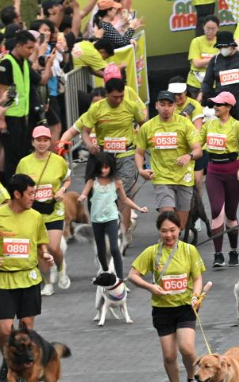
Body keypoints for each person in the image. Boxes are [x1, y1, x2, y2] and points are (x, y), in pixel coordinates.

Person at [128, 211, 207, 382]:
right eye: (164, 231)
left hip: (185, 307)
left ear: (179, 229)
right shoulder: (152, 252)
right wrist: (150, 287)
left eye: (172, 230)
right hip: (162, 310)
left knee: (187, 349)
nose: (169, 235)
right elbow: (132, 275)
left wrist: (196, 296)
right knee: (169, 356)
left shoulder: (189, 250)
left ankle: (191, 380)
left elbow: (197, 278)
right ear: (159, 232)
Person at [0, 174, 53, 382]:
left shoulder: (36, 217)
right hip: (3, 279)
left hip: (29, 277)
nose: (34, 197)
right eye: (30, 194)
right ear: (17, 194)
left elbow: (41, 242)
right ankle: (8, 359)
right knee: (4, 329)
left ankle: (19, 368)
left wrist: (46, 254)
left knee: (26, 327)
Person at [199, 91, 239, 267]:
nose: (215, 106)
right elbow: (197, 144)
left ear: (229, 107)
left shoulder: (237, 126)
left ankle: (233, 250)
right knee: (216, 210)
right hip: (213, 170)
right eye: (214, 104)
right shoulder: (208, 125)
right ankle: (218, 254)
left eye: (219, 104)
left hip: (233, 170)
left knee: (230, 214)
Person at [134, 90, 203, 230]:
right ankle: (166, 245)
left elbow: (198, 150)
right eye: (162, 104)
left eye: (169, 105)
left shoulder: (185, 124)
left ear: (175, 107)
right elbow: (139, 152)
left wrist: (188, 156)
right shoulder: (147, 127)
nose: (166, 108)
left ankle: (175, 246)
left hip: (184, 178)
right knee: (168, 219)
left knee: (180, 226)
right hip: (161, 178)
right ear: (156, 105)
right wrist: (141, 170)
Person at [16, 125, 71, 297]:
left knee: (54, 248)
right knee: (40, 250)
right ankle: (47, 282)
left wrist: (62, 190)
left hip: (53, 209)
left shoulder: (58, 160)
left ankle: (61, 269)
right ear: (32, 142)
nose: (42, 143)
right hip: (33, 211)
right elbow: (17, 184)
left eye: (45, 140)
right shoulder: (24, 162)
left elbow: (67, 179)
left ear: (50, 142)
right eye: (38, 140)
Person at [78, 152, 147, 280]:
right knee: (101, 250)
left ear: (111, 167)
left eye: (106, 167)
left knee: (115, 249)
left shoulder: (116, 182)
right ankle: (105, 272)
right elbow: (84, 194)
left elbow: (125, 199)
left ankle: (120, 278)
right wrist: (81, 197)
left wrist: (138, 208)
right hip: (96, 220)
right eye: (101, 167)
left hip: (112, 219)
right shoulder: (92, 181)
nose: (104, 170)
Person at [198, 30, 239, 132]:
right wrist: (202, 94)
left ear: (232, 46)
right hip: (223, 105)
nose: (222, 49)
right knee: (226, 133)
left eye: (225, 47)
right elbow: (207, 82)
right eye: (220, 47)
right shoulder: (214, 60)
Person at [0, 30, 38, 184]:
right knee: (12, 156)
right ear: (19, 45)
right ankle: (11, 190)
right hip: (10, 117)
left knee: (21, 153)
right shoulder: (6, 63)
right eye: (29, 48)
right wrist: (2, 119)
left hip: (22, 116)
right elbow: (3, 93)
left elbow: (19, 90)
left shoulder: (24, 62)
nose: (31, 51)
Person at [186, 15, 219, 99]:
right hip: (196, 83)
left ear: (218, 28)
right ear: (203, 27)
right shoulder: (196, 41)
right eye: (208, 28)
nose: (210, 31)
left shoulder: (220, 43)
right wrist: (214, 58)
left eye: (213, 29)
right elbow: (196, 63)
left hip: (214, 83)